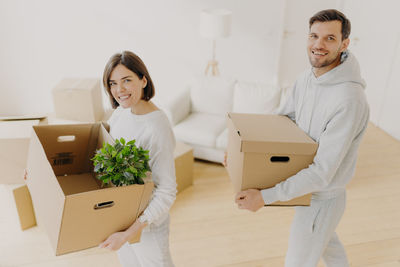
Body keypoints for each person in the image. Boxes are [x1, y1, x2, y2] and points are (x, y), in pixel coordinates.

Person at [232, 9, 369, 267]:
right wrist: (242, 152)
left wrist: (265, 197)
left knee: (298, 261)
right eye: (314, 36)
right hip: (305, 188)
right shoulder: (306, 78)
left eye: (329, 38)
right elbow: (282, 119)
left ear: (344, 44)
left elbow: (322, 173)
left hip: (322, 197)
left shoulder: (349, 100)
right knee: (328, 243)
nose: (318, 44)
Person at [98, 50, 177, 267]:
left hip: (147, 226)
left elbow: (166, 192)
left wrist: (128, 233)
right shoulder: (121, 113)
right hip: (122, 216)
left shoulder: (156, 126)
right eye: (113, 83)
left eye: (126, 81)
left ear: (143, 80)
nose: (119, 90)